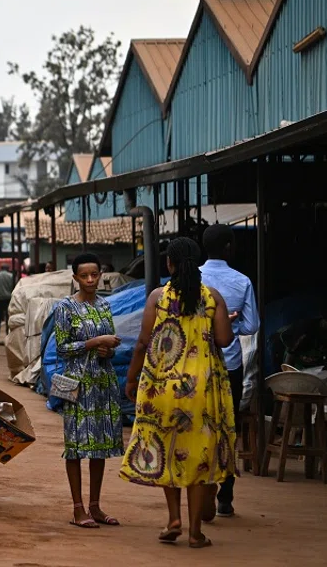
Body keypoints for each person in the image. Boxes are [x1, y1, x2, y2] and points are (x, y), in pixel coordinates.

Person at [120, 238, 236, 549]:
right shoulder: (213, 298)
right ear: (197, 263)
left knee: (166, 448)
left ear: (169, 264)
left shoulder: (158, 297)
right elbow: (224, 340)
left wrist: (131, 380)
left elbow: (143, 342)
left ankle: (173, 519)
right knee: (196, 457)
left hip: (162, 387)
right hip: (203, 391)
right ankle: (196, 532)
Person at [54, 252, 124, 529]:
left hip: (103, 382)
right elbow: (61, 347)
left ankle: (95, 506)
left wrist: (107, 349)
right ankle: (77, 508)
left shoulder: (105, 305)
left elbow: (110, 340)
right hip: (77, 384)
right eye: (84, 276)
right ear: (75, 278)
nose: (91, 280)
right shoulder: (65, 308)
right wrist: (95, 342)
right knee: (75, 446)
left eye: (95, 274)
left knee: (99, 446)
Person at [199, 224, 259, 518]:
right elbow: (251, 326)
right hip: (229, 364)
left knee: (199, 425)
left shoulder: (190, 279)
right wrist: (230, 323)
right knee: (227, 427)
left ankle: (201, 487)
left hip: (195, 364)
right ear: (229, 248)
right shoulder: (242, 281)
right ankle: (226, 494)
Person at [0, 264, 15, 338]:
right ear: (8, 268)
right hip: (9, 298)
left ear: (1, 268)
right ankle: (7, 332)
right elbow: (13, 287)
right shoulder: (11, 276)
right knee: (9, 315)